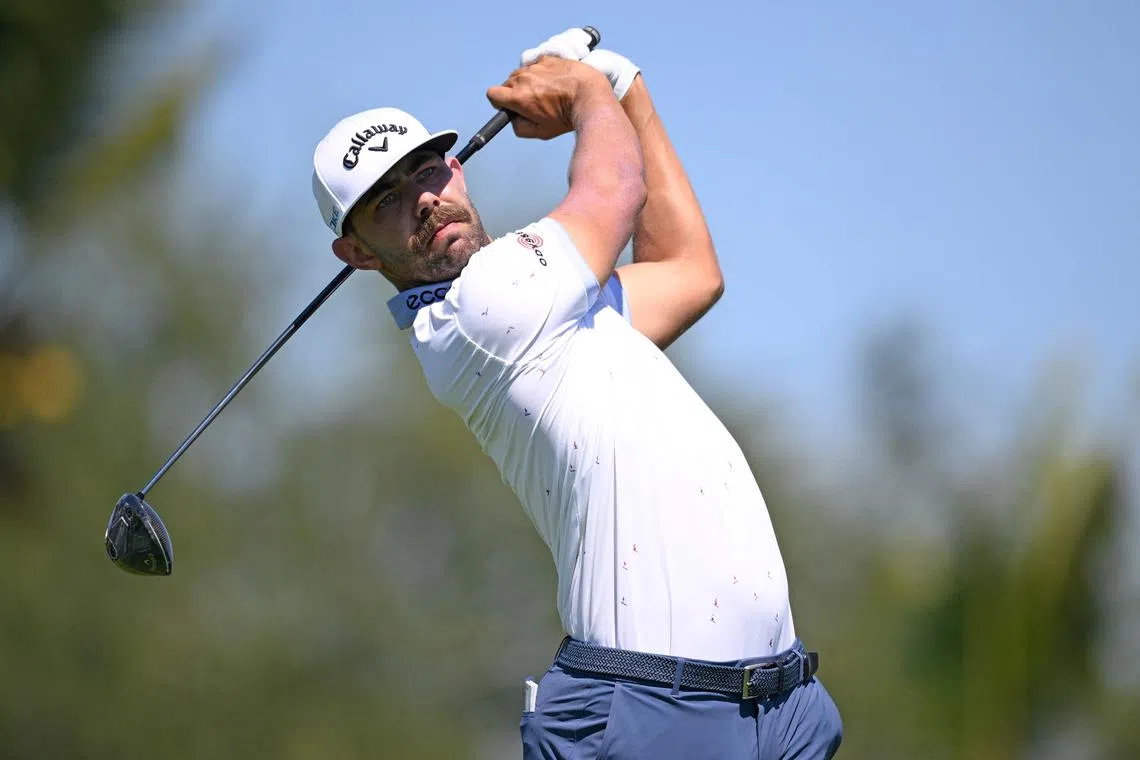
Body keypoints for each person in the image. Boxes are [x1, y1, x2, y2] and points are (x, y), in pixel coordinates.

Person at [311, 29, 843, 760]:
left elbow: (688, 269)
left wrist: (629, 92)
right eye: (388, 201)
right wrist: (588, 93)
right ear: (358, 253)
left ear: (459, 169)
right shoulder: (485, 310)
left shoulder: (556, 306)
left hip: (781, 706)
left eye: (430, 171)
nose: (426, 201)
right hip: (649, 712)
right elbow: (615, 188)